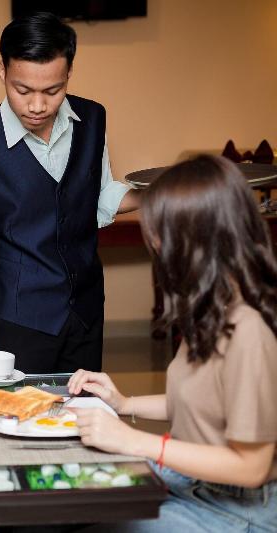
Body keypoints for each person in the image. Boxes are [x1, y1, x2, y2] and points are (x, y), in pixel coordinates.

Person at [69, 155, 277, 531]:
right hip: (192, 483)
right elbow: (205, 404)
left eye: (161, 233)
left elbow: (252, 467)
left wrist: (135, 442)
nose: (154, 244)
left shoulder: (250, 331)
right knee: (79, 494)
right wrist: (123, 403)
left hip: (236, 508)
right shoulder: (211, 306)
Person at [0, 12, 139, 374]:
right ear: (3, 71)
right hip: (21, 317)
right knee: (21, 407)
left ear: (69, 72)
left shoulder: (92, 119)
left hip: (85, 309)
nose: (37, 106)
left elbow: (99, 193)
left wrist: (159, 194)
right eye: (23, 90)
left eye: (52, 91)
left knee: (83, 407)